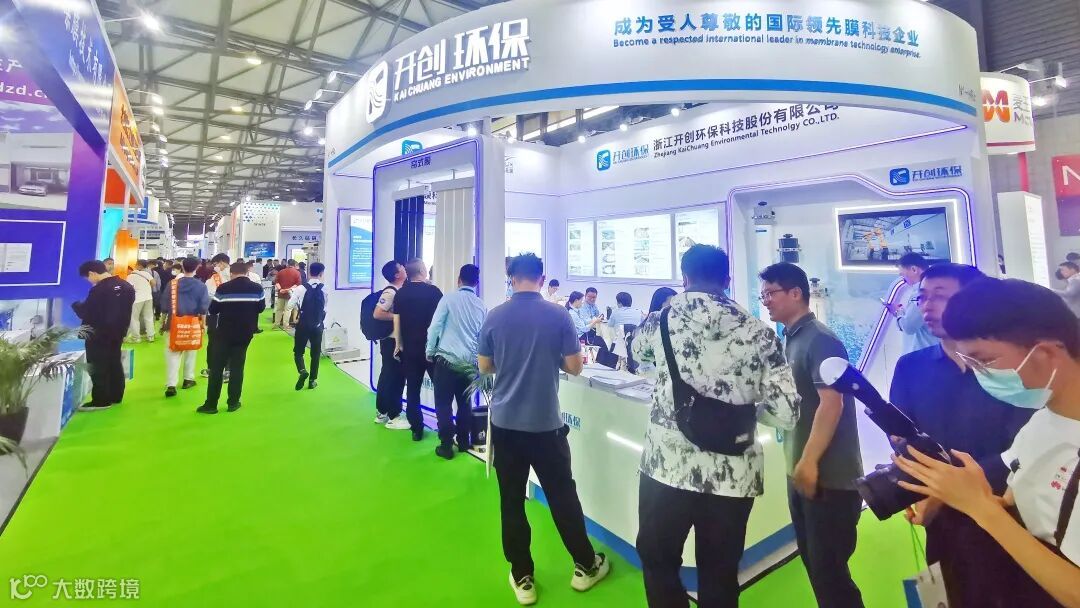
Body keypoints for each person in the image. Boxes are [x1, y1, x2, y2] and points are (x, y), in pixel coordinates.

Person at [894, 277, 1080, 608]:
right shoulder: (1042, 422)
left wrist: (981, 508)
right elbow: (1019, 497)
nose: (979, 374)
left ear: (1046, 353)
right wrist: (965, 494)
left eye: (986, 362)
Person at [632, 245, 799, 608]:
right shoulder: (761, 333)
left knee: (658, 562)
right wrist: (742, 411)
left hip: (667, 468)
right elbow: (787, 411)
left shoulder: (660, 321)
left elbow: (637, 354)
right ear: (727, 279)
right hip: (733, 477)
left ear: (684, 278)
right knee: (720, 573)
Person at [479, 253, 610, 604]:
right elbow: (575, 367)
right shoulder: (558, 314)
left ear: (511, 278)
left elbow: (485, 366)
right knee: (563, 497)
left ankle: (523, 577)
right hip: (546, 426)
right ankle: (586, 565)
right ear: (541, 278)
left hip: (505, 425)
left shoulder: (495, 315)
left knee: (511, 501)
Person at [759, 262, 865, 608]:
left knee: (830, 574)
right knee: (817, 569)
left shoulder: (821, 340)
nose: (766, 301)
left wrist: (808, 462)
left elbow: (832, 404)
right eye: (763, 295)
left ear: (796, 293)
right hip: (802, 474)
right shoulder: (790, 338)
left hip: (830, 479)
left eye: (771, 293)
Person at [426, 264, 487, 460]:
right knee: (464, 403)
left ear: (459, 279)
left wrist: (430, 350)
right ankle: (463, 441)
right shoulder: (481, 306)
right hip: (469, 363)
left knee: (443, 403)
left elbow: (434, 327)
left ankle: (446, 445)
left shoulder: (448, 299)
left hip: (446, 359)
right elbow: (482, 337)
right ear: (476, 282)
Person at [198, 262, 266, 414]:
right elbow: (261, 308)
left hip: (224, 333)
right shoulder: (257, 288)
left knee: (217, 368)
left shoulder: (223, 288)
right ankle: (233, 403)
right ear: (247, 272)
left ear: (231, 273)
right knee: (237, 367)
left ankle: (211, 405)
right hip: (245, 333)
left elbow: (213, 309)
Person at [72, 260, 135, 411]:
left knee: (97, 366)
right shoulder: (127, 286)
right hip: (118, 332)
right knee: (114, 362)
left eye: (87, 278)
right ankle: (116, 395)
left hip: (97, 333)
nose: (89, 281)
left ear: (92, 273)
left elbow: (86, 312)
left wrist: (76, 306)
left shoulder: (98, 290)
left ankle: (101, 400)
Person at [393, 258, 444, 441]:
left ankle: (416, 428)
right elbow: (441, 321)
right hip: (432, 349)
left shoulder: (401, 294)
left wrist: (398, 344)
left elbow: (397, 321)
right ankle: (444, 427)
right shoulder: (434, 292)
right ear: (422, 270)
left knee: (413, 390)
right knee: (440, 389)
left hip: (410, 349)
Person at [161, 257, 210, 397]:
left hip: (173, 323)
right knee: (191, 351)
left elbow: (164, 305)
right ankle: (188, 379)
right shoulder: (201, 286)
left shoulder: (172, 284)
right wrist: (203, 324)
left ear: (182, 267)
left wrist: (163, 323)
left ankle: (171, 384)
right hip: (193, 323)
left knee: (173, 353)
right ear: (197, 268)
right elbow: (203, 308)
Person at [373, 261, 410, 430]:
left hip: (391, 340)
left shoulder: (398, 290)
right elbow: (378, 313)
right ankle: (393, 415)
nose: (404, 269)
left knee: (388, 375)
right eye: (401, 267)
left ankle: (383, 412)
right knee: (394, 376)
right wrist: (398, 316)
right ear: (397, 274)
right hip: (391, 341)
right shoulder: (390, 292)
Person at [286, 262, 327, 391]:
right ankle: (312, 380)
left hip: (303, 324)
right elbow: (325, 307)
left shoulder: (300, 288)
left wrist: (295, 299)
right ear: (321, 273)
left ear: (309, 272)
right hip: (318, 325)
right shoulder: (325, 289)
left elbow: (289, 305)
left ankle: (302, 371)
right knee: (315, 354)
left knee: (298, 352)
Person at [891, 253, 940, 354]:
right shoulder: (936, 289)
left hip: (923, 353)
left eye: (903, 274)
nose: (903, 279)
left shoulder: (921, 292)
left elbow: (909, 326)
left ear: (914, 269)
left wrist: (898, 312)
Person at [125, 260, 157, 343]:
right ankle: (151, 336)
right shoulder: (146, 274)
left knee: (134, 318)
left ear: (137, 265)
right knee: (148, 317)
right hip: (148, 297)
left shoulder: (130, 276)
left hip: (137, 299)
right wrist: (146, 288)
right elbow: (154, 283)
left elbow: (129, 289)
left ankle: (136, 338)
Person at [273, 260, 302, 330]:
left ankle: (276, 325)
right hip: (290, 294)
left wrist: (281, 289)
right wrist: (288, 290)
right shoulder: (297, 273)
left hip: (281, 293)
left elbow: (276, 282)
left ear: (287, 264)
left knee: (279, 309)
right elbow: (297, 284)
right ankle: (285, 325)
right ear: (294, 265)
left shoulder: (281, 272)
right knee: (288, 310)